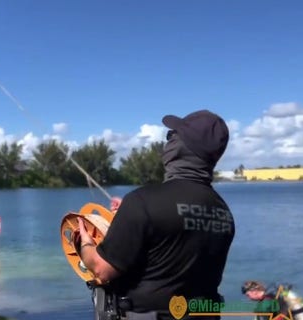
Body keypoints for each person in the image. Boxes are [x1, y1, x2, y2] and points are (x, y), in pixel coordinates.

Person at [77, 109, 235, 320]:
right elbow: (178, 228)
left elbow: (100, 269)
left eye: (172, 136)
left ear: (179, 148)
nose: (168, 142)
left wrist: (84, 243)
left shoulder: (143, 202)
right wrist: (130, 213)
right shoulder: (223, 211)